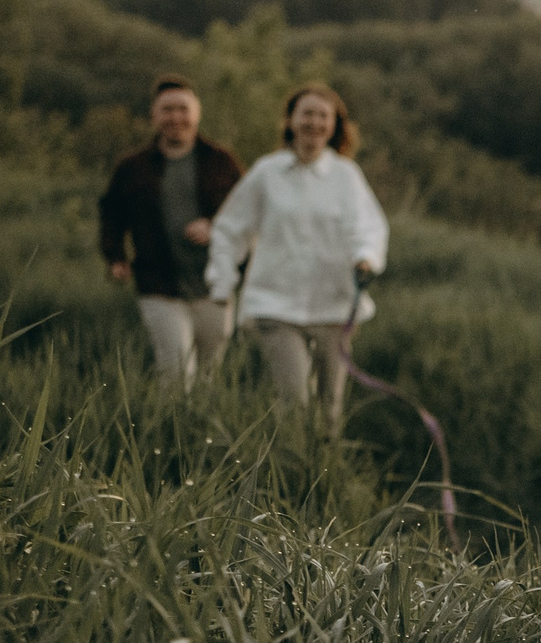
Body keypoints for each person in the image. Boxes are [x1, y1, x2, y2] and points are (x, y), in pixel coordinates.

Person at [206, 83, 389, 425]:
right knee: (295, 401)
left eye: (323, 116)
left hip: (333, 307)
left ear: (335, 126)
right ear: (291, 120)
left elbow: (370, 227)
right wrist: (222, 281)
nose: (314, 123)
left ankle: (323, 475)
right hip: (276, 305)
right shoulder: (267, 172)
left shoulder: (346, 176)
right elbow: (230, 228)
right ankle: (290, 473)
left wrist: (366, 257)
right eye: (307, 114)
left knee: (329, 409)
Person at [98, 73, 243, 385]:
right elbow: (111, 214)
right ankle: (169, 431)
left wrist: (215, 227)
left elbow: (247, 213)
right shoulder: (133, 167)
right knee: (177, 371)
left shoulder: (221, 161)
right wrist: (115, 258)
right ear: (154, 115)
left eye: (182, 109)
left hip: (214, 285)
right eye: (167, 110)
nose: (175, 117)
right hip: (158, 284)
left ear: (196, 113)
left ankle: (199, 432)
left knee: (208, 375)